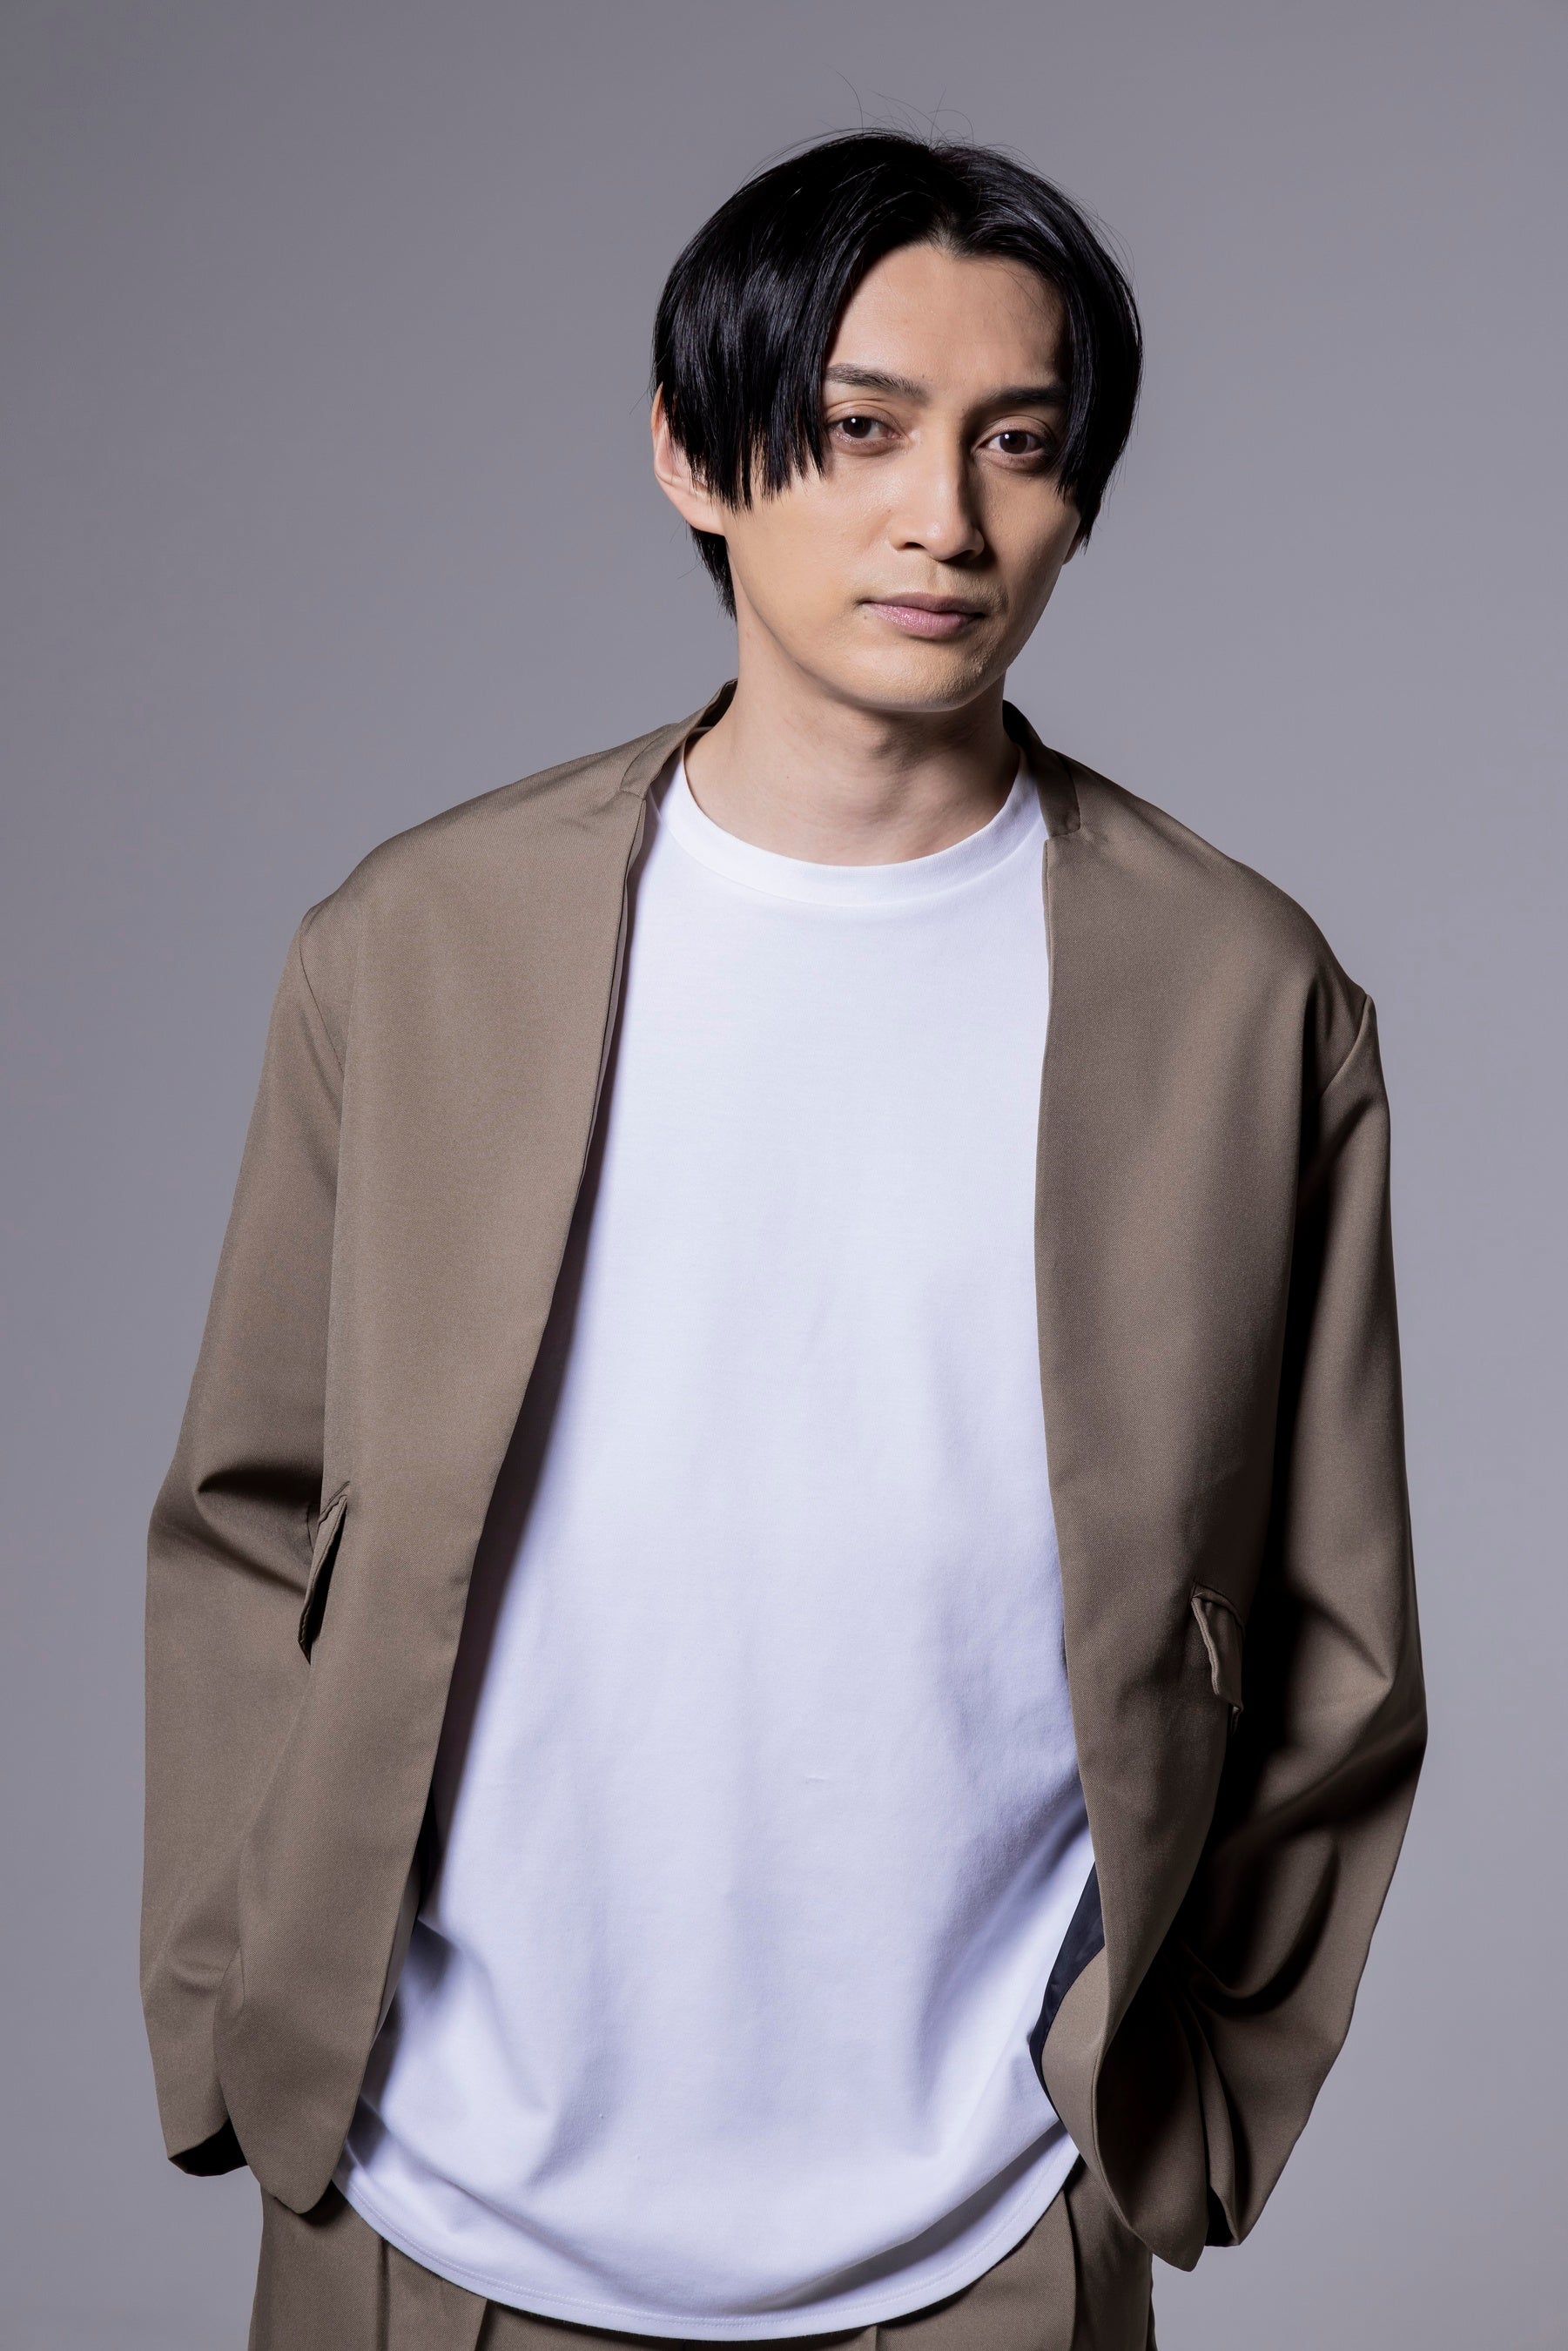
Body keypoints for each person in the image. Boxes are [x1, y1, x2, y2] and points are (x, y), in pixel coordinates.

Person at [141, 132, 1426, 2351]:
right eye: (859, 429)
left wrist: (1182, 2124)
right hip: (427, 2219)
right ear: (691, 454)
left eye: (1016, 443)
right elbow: (250, 1516)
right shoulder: (420, 947)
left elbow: (1334, 1639)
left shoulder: (1239, 998)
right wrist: (237, 2015)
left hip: (988, 2239)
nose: (943, 519)